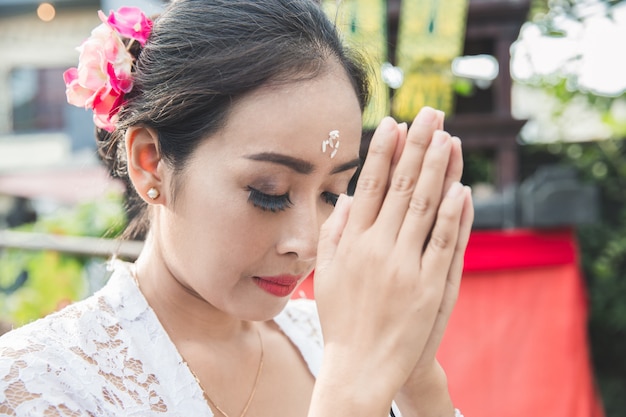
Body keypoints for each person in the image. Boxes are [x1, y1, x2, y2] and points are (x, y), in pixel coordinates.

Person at [0, 0, 474, 416]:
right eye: (268, 191)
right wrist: (349, 393)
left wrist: (417, 382)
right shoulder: (41, 381)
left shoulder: (337, 337)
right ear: (150, 164)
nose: (308, 243)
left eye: (332, 194)